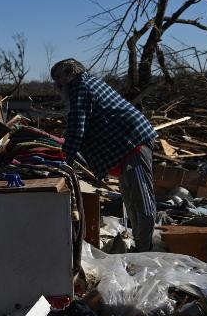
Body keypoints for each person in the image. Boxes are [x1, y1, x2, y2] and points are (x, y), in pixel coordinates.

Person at [51, 59, 157, 252]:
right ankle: (139, 246)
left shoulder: (79, 86)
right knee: (130, 200)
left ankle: (144, 251)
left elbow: (77, 128)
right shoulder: (88, 83)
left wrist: (62, 163)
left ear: (69, 74)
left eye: (58, 78)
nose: (57, 84)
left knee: (143, 202)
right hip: (125, 147)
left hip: (133, 142)